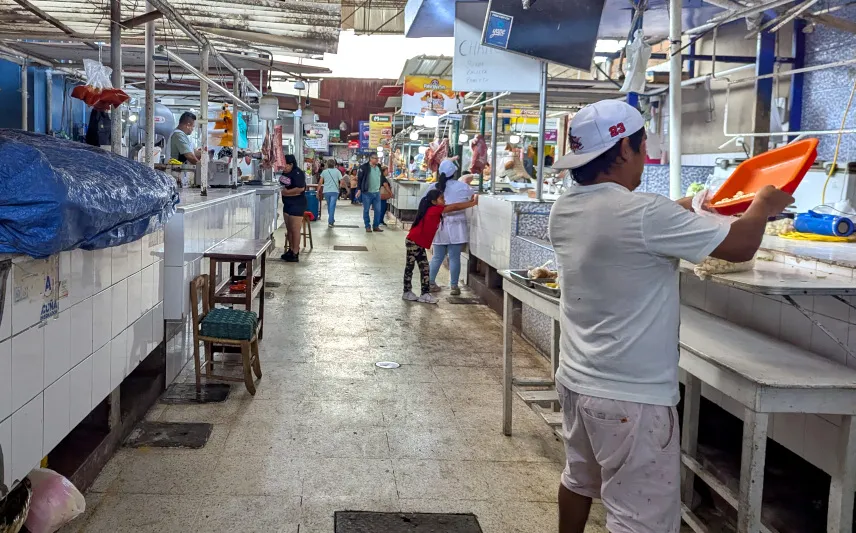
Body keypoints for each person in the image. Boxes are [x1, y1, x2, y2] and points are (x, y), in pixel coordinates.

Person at [547, 100, 794, 533]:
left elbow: (642, 221)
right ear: (624, 149)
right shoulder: (642, 213)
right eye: (643, 149)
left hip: (576, 380)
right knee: (638, 519)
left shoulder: (567, 208)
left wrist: (697, 204)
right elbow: (739, 247)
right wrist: (763, 204)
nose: (644, 159)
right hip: (632, 398)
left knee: (579, 479)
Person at [403, 189, 478, 304]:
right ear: (434, 201)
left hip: (417, 242)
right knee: (411, 267)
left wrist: (470, 202)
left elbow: (452, 206)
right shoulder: (433, 210)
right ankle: (408, 292)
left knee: (424, 269)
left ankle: (424, 294)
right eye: (441, 198)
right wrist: (472, 203)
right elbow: (454, 207)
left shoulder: (433, 208)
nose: (444, 200)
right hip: (414, 242)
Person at [426, 159, 471, 296]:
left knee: (437, 257)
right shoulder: (463, 187)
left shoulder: (433, 187)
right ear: (454, 173)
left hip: (439, 225)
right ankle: (454, 286)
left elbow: (425, 204)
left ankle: (430, 282)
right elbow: (470, 199)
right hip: (457, 226)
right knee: (455, 257)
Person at [279, 154, 307, 263]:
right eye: (283, 165)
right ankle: (290, 250)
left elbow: (300, 188)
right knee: (289, 229)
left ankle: (295, 252)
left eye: (286, 165)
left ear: (291, 164)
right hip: (287, 204)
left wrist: (286, 193)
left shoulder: (298, 173)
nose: (284, 167)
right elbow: (283, 183)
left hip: (297, 204)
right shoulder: (284, 173)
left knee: (295, 230)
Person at [356, 153, 384, 232]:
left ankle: (376, 226)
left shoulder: (378, 167)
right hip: (367, 192)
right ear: (370, 159)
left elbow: (380, 177)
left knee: (378, 210)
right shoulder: (364, 167)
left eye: (377, 158)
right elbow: (360, 179)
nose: (377, 160)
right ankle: (367, 226)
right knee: (366, 210)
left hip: (377, 192)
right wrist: (359, 189)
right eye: (375, 158)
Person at [320, 159, 342, 228]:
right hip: (335, 191)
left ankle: (331, 220)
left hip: (326, 191)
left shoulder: (324, 172)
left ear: (327, 164)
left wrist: (318, 191)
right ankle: (330, 221)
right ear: (334, 164)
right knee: (332, 206)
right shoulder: (337, 171)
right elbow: (341, 181)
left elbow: (320, 182)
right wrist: (340, 187)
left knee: (330, 206)